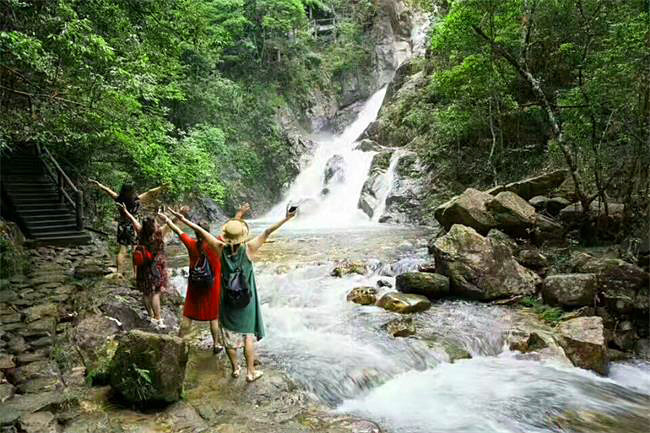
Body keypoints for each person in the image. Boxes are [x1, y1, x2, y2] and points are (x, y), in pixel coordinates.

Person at [169, 206, 296, 382]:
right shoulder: (249, 248)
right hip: (246, 301)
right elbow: (267, 231)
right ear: (242, 236)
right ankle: (250, 372)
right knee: (247, 336)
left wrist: (181, 219)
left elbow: (199, 231)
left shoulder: (220, 248)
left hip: (227, 299)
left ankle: (236, 368)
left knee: (228, 337)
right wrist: (287, 218)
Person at [158, 204, 251, 354]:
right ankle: (216, 344)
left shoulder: (191, 244)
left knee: (188, 314)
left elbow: (177, 230)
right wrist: (239, 213)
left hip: (195, 284)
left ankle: (178, 342)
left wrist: (167, 219)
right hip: (213, 285)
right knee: (213, 317)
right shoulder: (216, 244)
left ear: (196, 233)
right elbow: (231, 230)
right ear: (208, 232)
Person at [89, 180, 166, 277]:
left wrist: (99, 185)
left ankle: (119, 272)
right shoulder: (136, 200)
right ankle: (136, 274)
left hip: (122, 226)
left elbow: (108, 191)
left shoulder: (118, 199)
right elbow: (150, 192)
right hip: (134, 227)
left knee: (122, 249)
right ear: (132, 190)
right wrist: (161, 187)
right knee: (135, 250)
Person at [119, 203, 168, 328]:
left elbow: (132, 219)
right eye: (156, 222)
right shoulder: (159, 233)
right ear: (154, 226)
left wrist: (126, 211)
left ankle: (151, 316)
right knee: (156, 293)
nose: (157, 224)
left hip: (143, 267)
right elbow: (171, 223)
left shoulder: (140, 232)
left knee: (146, 293)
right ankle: (159, 319)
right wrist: (178, 216)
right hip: (156, 267)